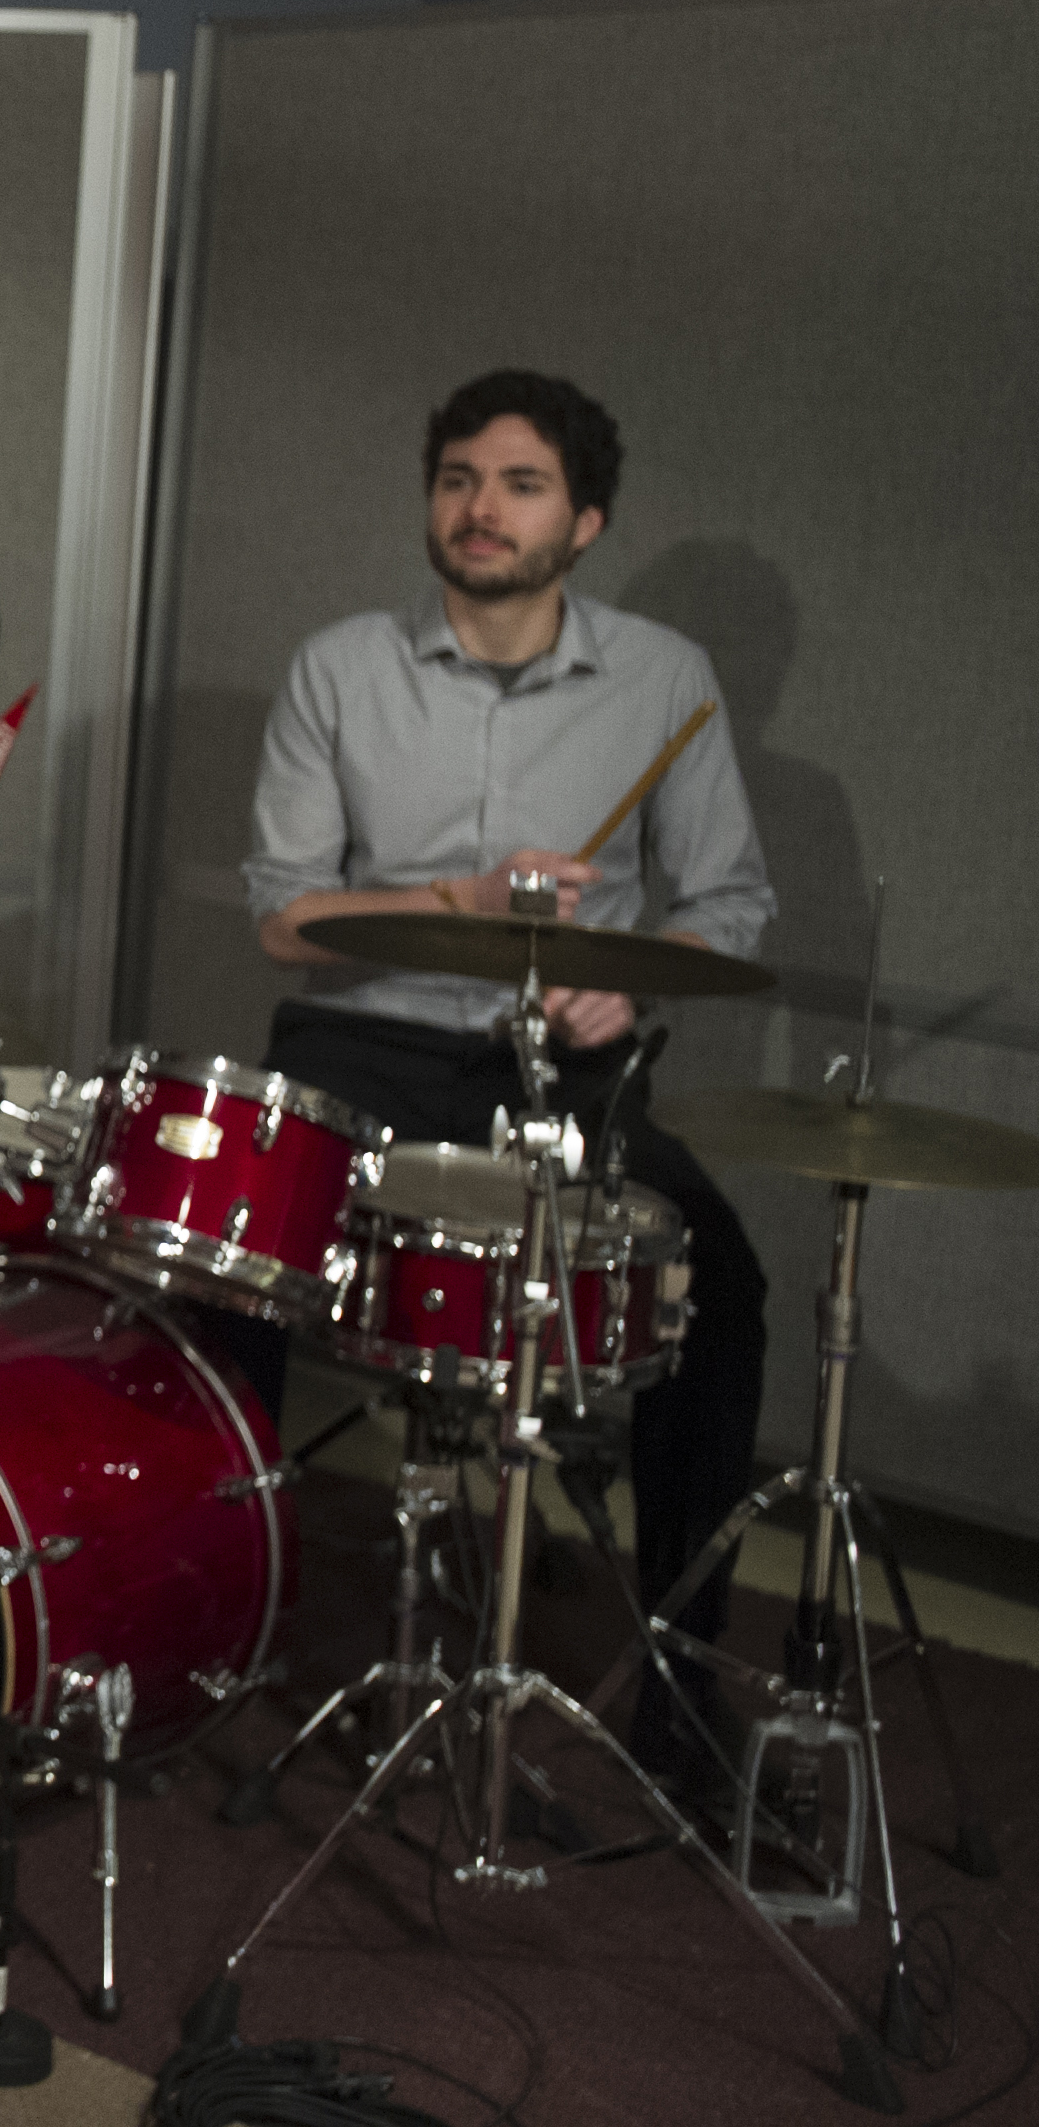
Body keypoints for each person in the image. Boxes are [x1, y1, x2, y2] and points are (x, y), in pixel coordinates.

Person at [243, 366, 774, 1776]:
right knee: (226, 1257)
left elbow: (727, 909)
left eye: (519, 483)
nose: (480, 510)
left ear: (583, 520)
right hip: (361, 1046)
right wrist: (459, 906)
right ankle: (212, 1622)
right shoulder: (338, 666)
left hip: (558, 1075)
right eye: (458, 478)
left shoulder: (664, 681)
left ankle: (674, 1681)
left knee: (717, 1287)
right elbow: (284, 918)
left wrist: (627, 974)